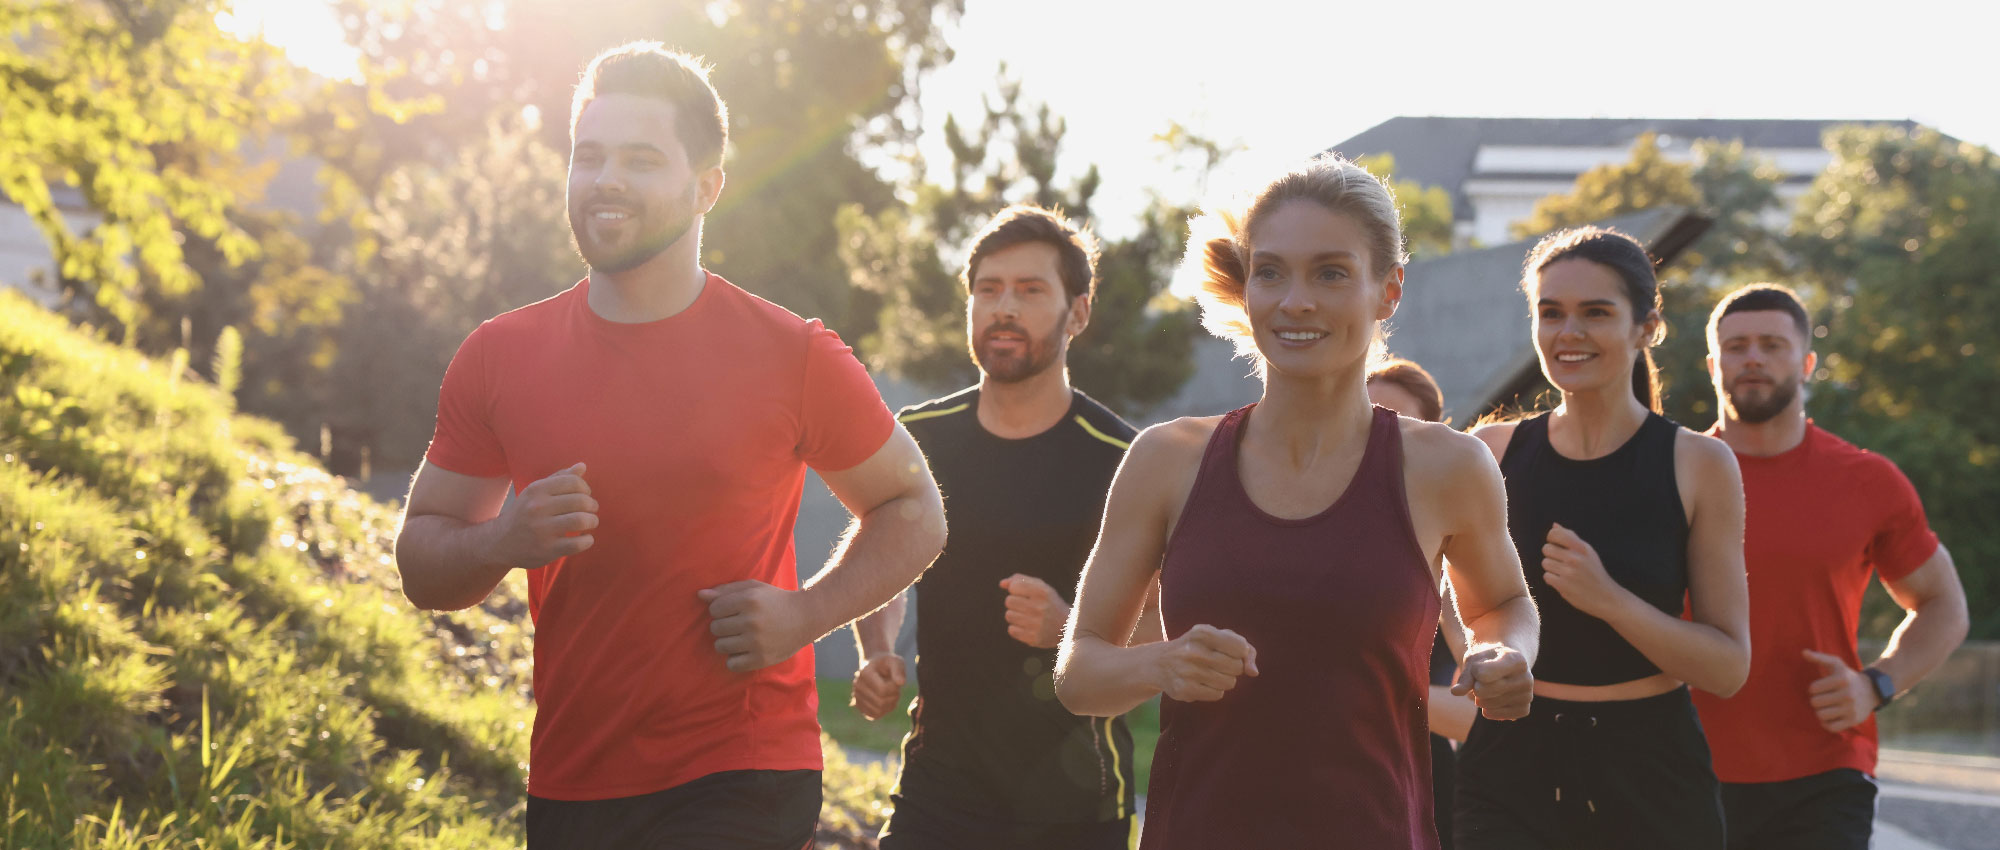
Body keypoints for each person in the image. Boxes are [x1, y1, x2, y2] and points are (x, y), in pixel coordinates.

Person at [391, 42, 946, 850]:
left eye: (641, 159)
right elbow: (420, 563)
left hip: (742, 768)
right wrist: (506, 539)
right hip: (574, 775)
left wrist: (805, 615)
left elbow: (915, 509)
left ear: (706, 187)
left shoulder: (791, 353)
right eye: (590, 157)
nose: (606, 179)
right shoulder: (499, 357)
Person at [1054, 154, 1540, 849]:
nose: (1295, 301)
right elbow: (1078, 673)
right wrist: (1159, 662)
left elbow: (1504, 605)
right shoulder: (1167, 460)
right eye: (1271, 271)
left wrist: (1509, 654)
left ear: (1389, 290)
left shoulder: (1447, 465)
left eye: (1331, 272)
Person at [848, 205, 1156, 849]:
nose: (1003, 308)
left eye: (1030, 290)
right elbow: (876, 549)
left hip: (1075, 807)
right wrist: (876, 648)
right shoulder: (920, 438)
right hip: (937, 792)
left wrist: (1073, 631)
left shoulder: (1123, 458)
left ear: (1078, 312)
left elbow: (1166, 615)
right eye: (987, 290)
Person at [1453, 226, 1750, 850]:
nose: (1569, 333)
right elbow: (1466, 613)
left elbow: (1727, 668)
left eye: (1596, 313)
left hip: (1651, 766)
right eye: (1551, 312)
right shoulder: (1490, 453)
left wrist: (1609, 599)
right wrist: (1484, 655)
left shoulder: (1699, 463)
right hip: (1511, 765)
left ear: (1647, 328)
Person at [1689, 283, 1968, 850]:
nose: (1754, 358)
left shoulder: (1867, 481)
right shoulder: (1668, 476)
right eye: (1737, 346)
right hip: (1683, 765)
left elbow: (1944, 606)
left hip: (1825, 770)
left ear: (1807, 362)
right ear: (1713, 364)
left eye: (1772, 344)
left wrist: (1877, 684)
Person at [1367, 357, 1478, 850]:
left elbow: (1478, 716)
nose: (1377, 441)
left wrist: (1362, 691)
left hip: (1418, 794)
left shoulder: (1450, 561)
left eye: (1399, 426)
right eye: (1365, 419)